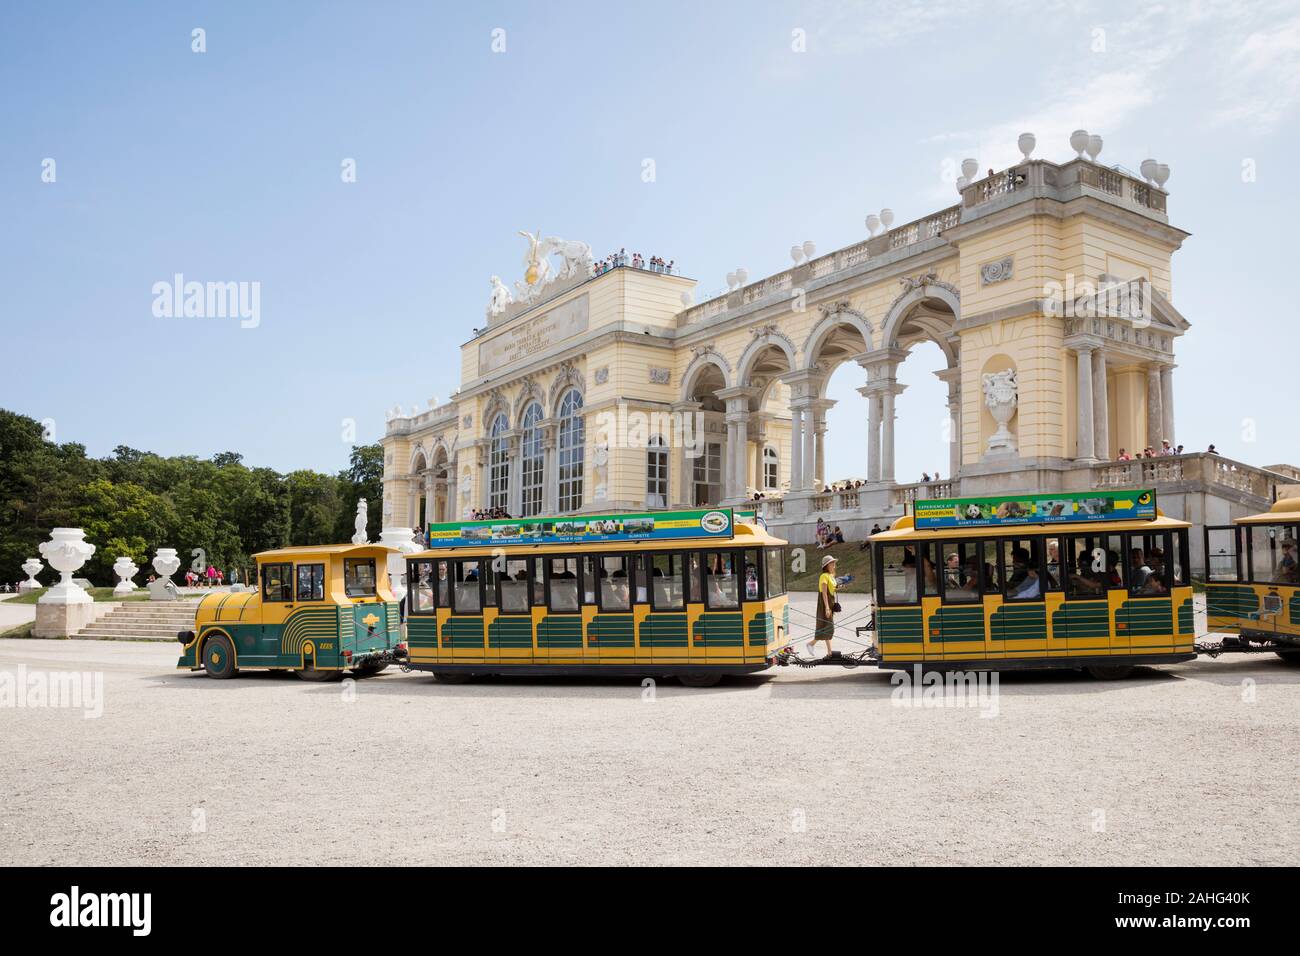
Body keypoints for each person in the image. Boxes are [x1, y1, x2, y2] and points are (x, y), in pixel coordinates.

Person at [808, 555, 839, 658]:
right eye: (832, 563)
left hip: (830, 603)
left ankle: (829, 652)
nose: (834, 564)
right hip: (825, 603)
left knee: (826, 626)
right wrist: (827, 607)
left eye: (834, 562)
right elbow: (824, 593)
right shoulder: (824, 576)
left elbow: (832, 588)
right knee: (828, 626)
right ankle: (811, 644)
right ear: (826, 565)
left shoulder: (831, 576)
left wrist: (840, 587)